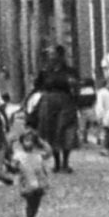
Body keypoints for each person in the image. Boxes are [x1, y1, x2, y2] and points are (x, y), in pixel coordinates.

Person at [37, 44, 79, 173]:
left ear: (60, 56)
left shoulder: (70, 71)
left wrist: (74, 88)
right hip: (49, 103)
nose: (50, 57)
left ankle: (65, 162)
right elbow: (38, 86)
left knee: (66, 130)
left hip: (66, 102)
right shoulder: (45, 71)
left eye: (52, 54)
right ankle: (56, 162)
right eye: (49, 54)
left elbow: (76, 87)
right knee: (52, 131)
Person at [13, 126, 49, 217]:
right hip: (27, 182)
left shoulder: (38, 155)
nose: (29, 143)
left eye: (32, 140)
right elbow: (14, 166)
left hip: (38, 182)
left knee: (36, 203)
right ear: (22, 141)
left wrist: (42, 142)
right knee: (30, 202)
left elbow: (48, 153)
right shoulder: (19, 155)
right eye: (26, 140)